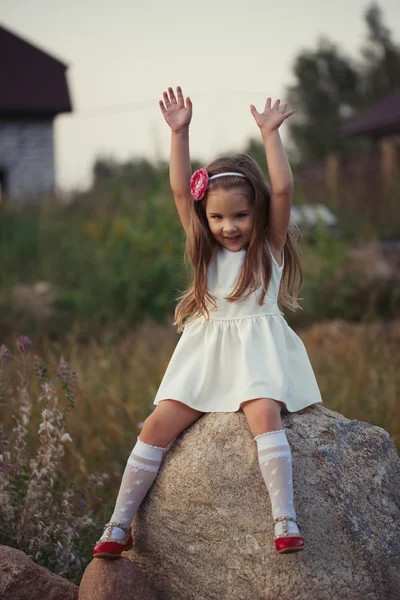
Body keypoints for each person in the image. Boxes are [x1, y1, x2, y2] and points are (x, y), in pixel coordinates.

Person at [93, 85, 323, 559]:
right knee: (156, 426)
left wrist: (270, 136)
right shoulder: (205, 250)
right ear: (205, 217)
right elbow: (181, 188)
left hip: (258, 355)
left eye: (240, 215)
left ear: (256, 211)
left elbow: (282, 187)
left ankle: (285, 518)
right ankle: (118, 525)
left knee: (264, 415)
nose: (229, 226)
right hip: (204, 356)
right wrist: (180, 133)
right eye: (217, 217)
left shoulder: (267, 248)